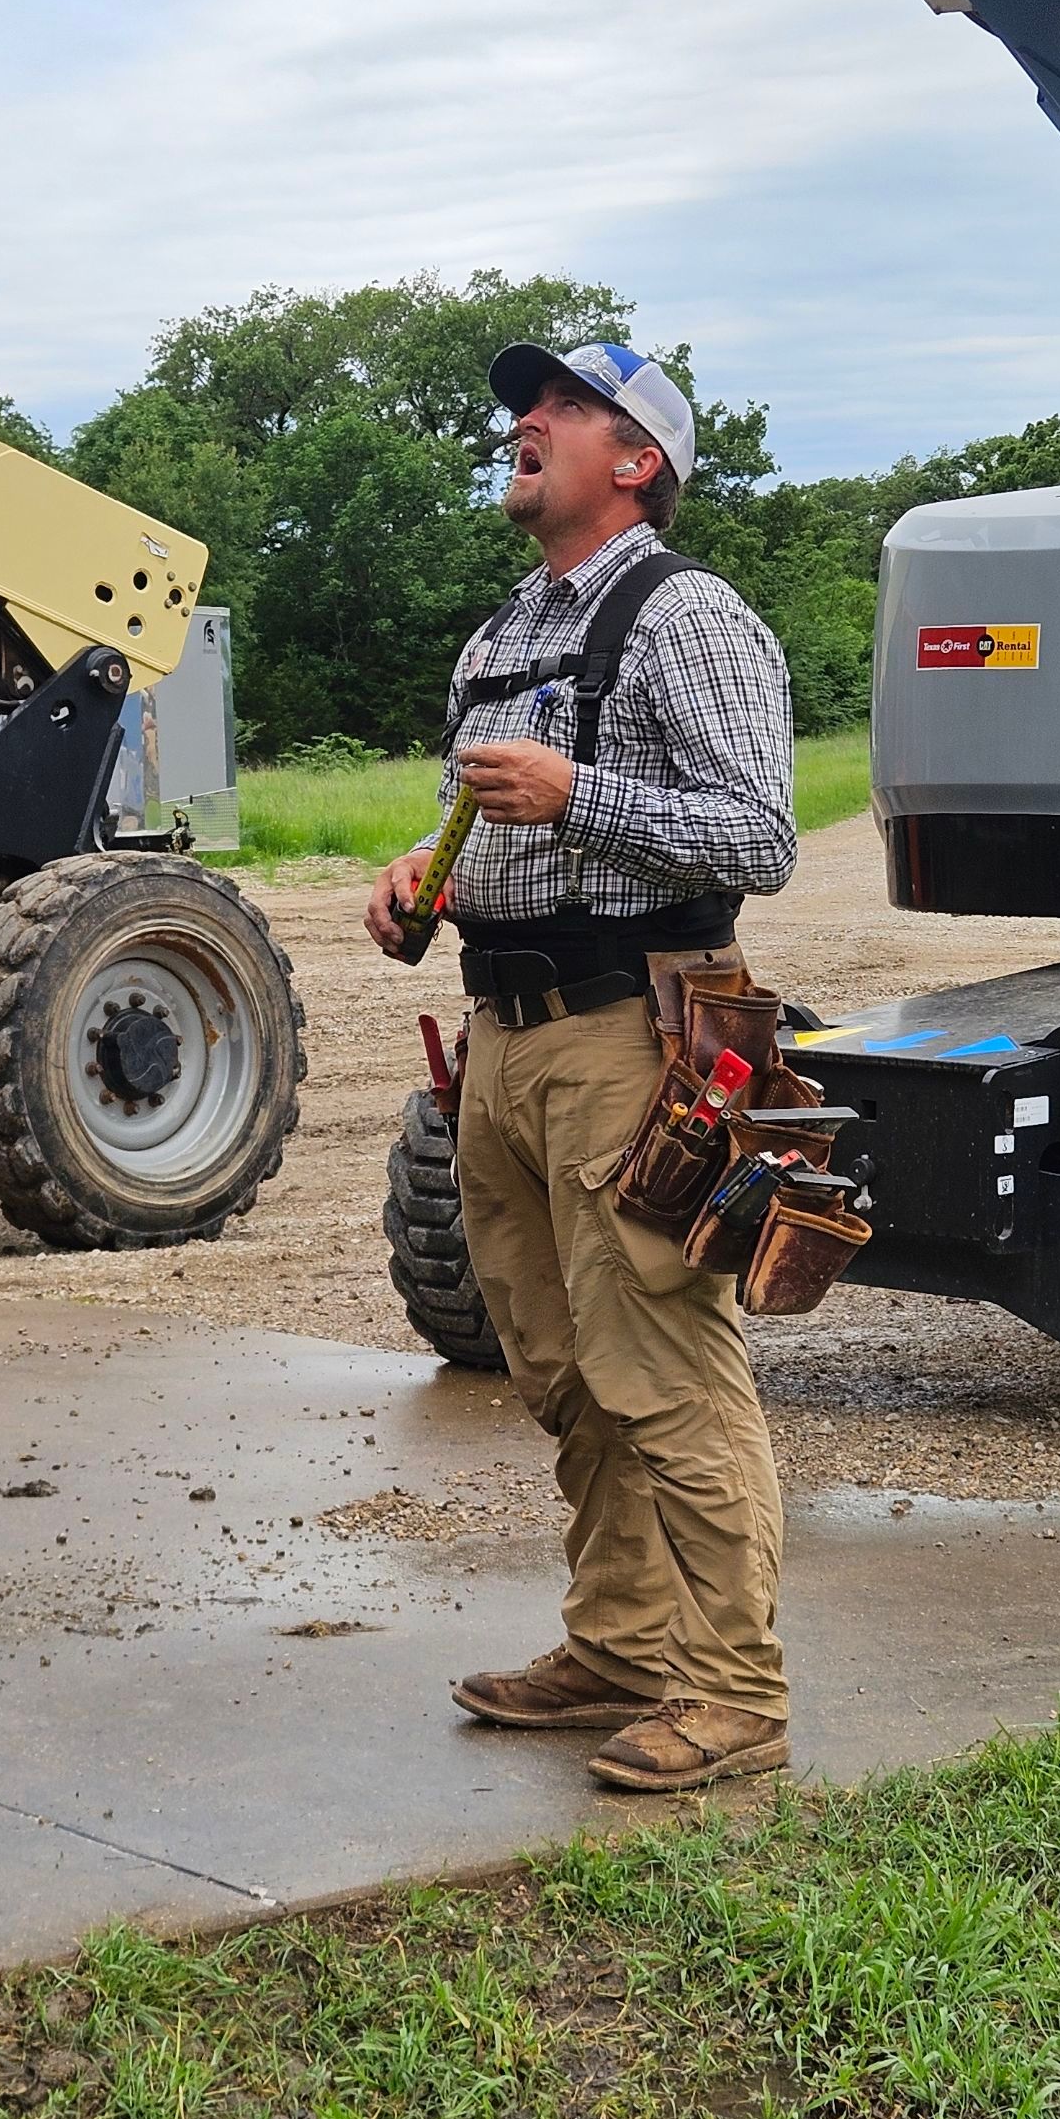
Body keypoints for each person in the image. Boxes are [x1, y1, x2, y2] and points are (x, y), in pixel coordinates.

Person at [367, 339, 798, 1790]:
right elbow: (478, 831)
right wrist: (418, 884)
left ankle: (736, 1693)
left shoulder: (691, 617)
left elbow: (764, 840)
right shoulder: (499, 638)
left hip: (634, 1034)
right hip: (503, 1039)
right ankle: (621, 1644)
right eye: (521, 404)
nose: (522, 421)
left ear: (639, 462)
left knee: (663, 1361)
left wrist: (580, 795)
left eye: (557, 406)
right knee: (557, 1363)